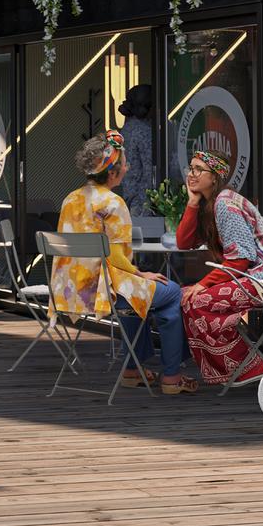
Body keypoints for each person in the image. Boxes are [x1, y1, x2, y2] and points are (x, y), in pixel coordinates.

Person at [51, 130, 196, 394]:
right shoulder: (113, 202)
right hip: (104, 290)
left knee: (141, 297)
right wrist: (141, 273)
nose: (128, 168)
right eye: (125, 164)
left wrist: (138, 278)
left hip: (71, 288)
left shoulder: (70, 198)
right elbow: (117, 258)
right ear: (113, 172)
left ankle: (133, 370)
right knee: (171, 292)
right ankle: (171, 378)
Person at [177, 149, 263, 386]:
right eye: (191, 167)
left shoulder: (226, 203)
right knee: (185, 296)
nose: (192, 173)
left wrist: (202, 284)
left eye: (199, 169)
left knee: (196, 299)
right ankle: (235, 367)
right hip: (249, 276)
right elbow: (184, 242)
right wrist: (192, 201)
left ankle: (249, 367)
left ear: (215, 176)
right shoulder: (210, 205)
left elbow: (240, 260)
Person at [118, 84, 155, 215]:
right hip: (142, 201)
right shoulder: (144, 131)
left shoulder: (127, 129)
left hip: (129, 196)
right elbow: (149, 169)